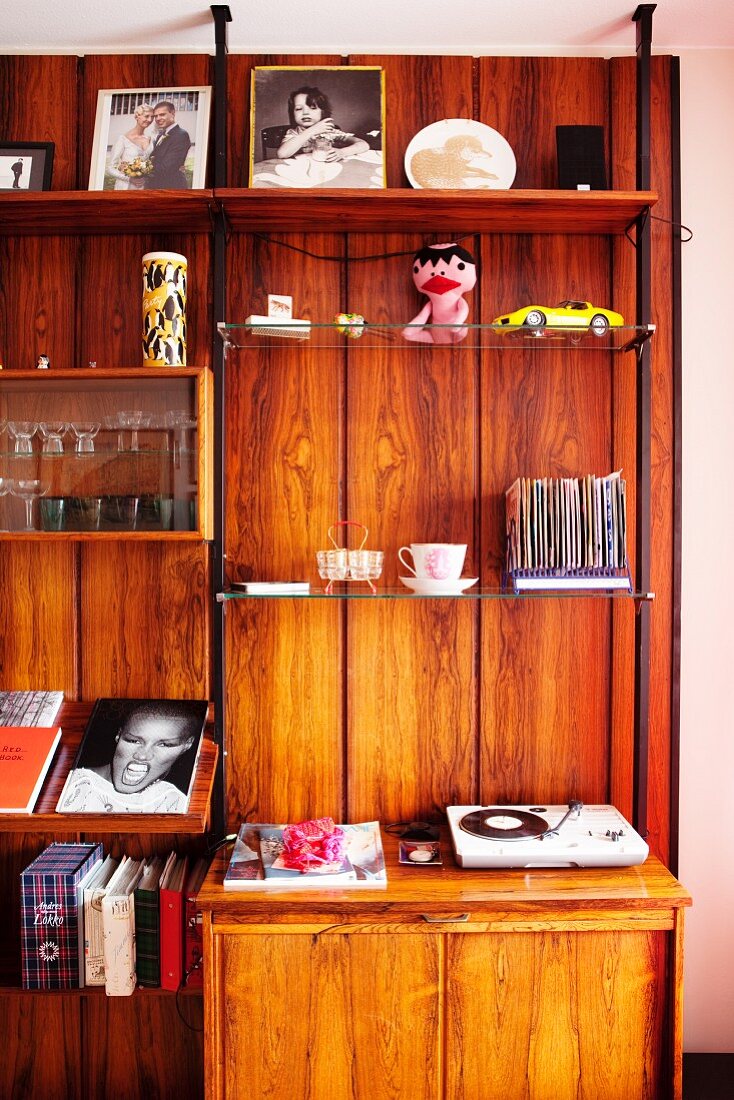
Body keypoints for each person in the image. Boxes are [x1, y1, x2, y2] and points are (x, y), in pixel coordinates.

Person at [57, 701, 202, 813]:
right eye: (134, 741)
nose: (142, 755)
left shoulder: (174, 800)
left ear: (187, 745)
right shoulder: (75, 785)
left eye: (164, 744)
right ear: (118, 735)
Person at [276, 86, 369, 162]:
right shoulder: (294, 133)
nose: (305, 113)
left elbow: (364, 145)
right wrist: (312, 131)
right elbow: (282, 154)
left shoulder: (329, 131)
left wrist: (342, 152)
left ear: (323, 112)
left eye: (312, 107)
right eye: (299, 109)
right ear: (292, 113)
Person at [144, 100, 191, 190]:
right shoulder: (161, 134)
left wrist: (139, 171)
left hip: (172, 187)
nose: (158, 118)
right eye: (156, 116)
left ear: (172, 113)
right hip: (157, 186)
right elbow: (155, 158)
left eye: (162, 114)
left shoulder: (180, 135)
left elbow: (166, 168)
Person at [107, 102, 154, 190]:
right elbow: (110, 168)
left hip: (145, 187)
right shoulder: (123, 139)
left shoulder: (150, 139)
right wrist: (129, 179)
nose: (150, 120)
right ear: (137, 116)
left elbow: (154, 162)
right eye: (146, 116)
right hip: (126, 187)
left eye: (152, 117)